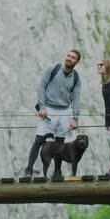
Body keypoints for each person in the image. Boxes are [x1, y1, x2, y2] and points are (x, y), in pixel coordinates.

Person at [24, 49, 82, 177]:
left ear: (77, 62)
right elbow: (41, 87)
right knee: (39, 140)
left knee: (60, 145)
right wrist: (42, 107)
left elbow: (76, 99)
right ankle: (28, 170)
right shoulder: (53, 69)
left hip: (65, 111)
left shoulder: (76, 78)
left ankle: (57, 172)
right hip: (49, 109)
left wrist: (75, 118)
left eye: (73, 57)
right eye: (68, 56)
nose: (69, 58)